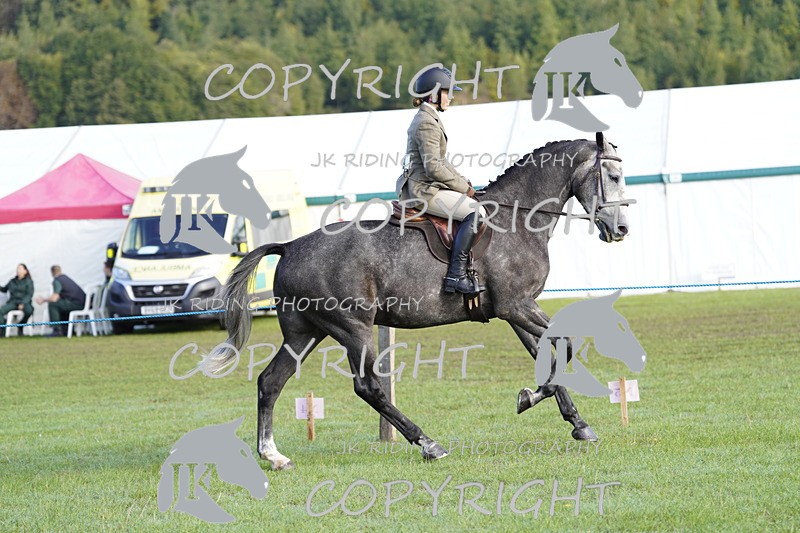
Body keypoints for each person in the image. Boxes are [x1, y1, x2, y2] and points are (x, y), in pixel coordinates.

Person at [396, 66, 486, 294]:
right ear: (434, 94)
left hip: (427, 185)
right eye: (448, 92)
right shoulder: (426, 122)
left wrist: (466, 185)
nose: (451, 97)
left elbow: (442, 162)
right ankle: (456, 276)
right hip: (422, 191)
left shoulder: (429, 118)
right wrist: (464, 189)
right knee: (476, 213)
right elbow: (434, 167)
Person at [35, 265, 86, 337]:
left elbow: (54, 298)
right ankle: (67, 330)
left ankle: (56, 330)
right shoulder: (66, 278)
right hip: (82, 303)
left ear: (52, 272)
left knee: (53, 305)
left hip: (76, 304)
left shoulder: (57, 280)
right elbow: (59, 296)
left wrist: (43, 300)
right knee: (61, 305)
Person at [0, 263, 34, 336]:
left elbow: (29, 294)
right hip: (13, 302)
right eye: (17, 268)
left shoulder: (29, 282)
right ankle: (3, 328)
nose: (18, 270)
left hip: (25, 303)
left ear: (25, 271)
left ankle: (21, 325)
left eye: (20, 268)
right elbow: (4, 289)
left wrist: (23, 303)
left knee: (29, 310)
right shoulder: (12, 281)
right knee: (1, 311)